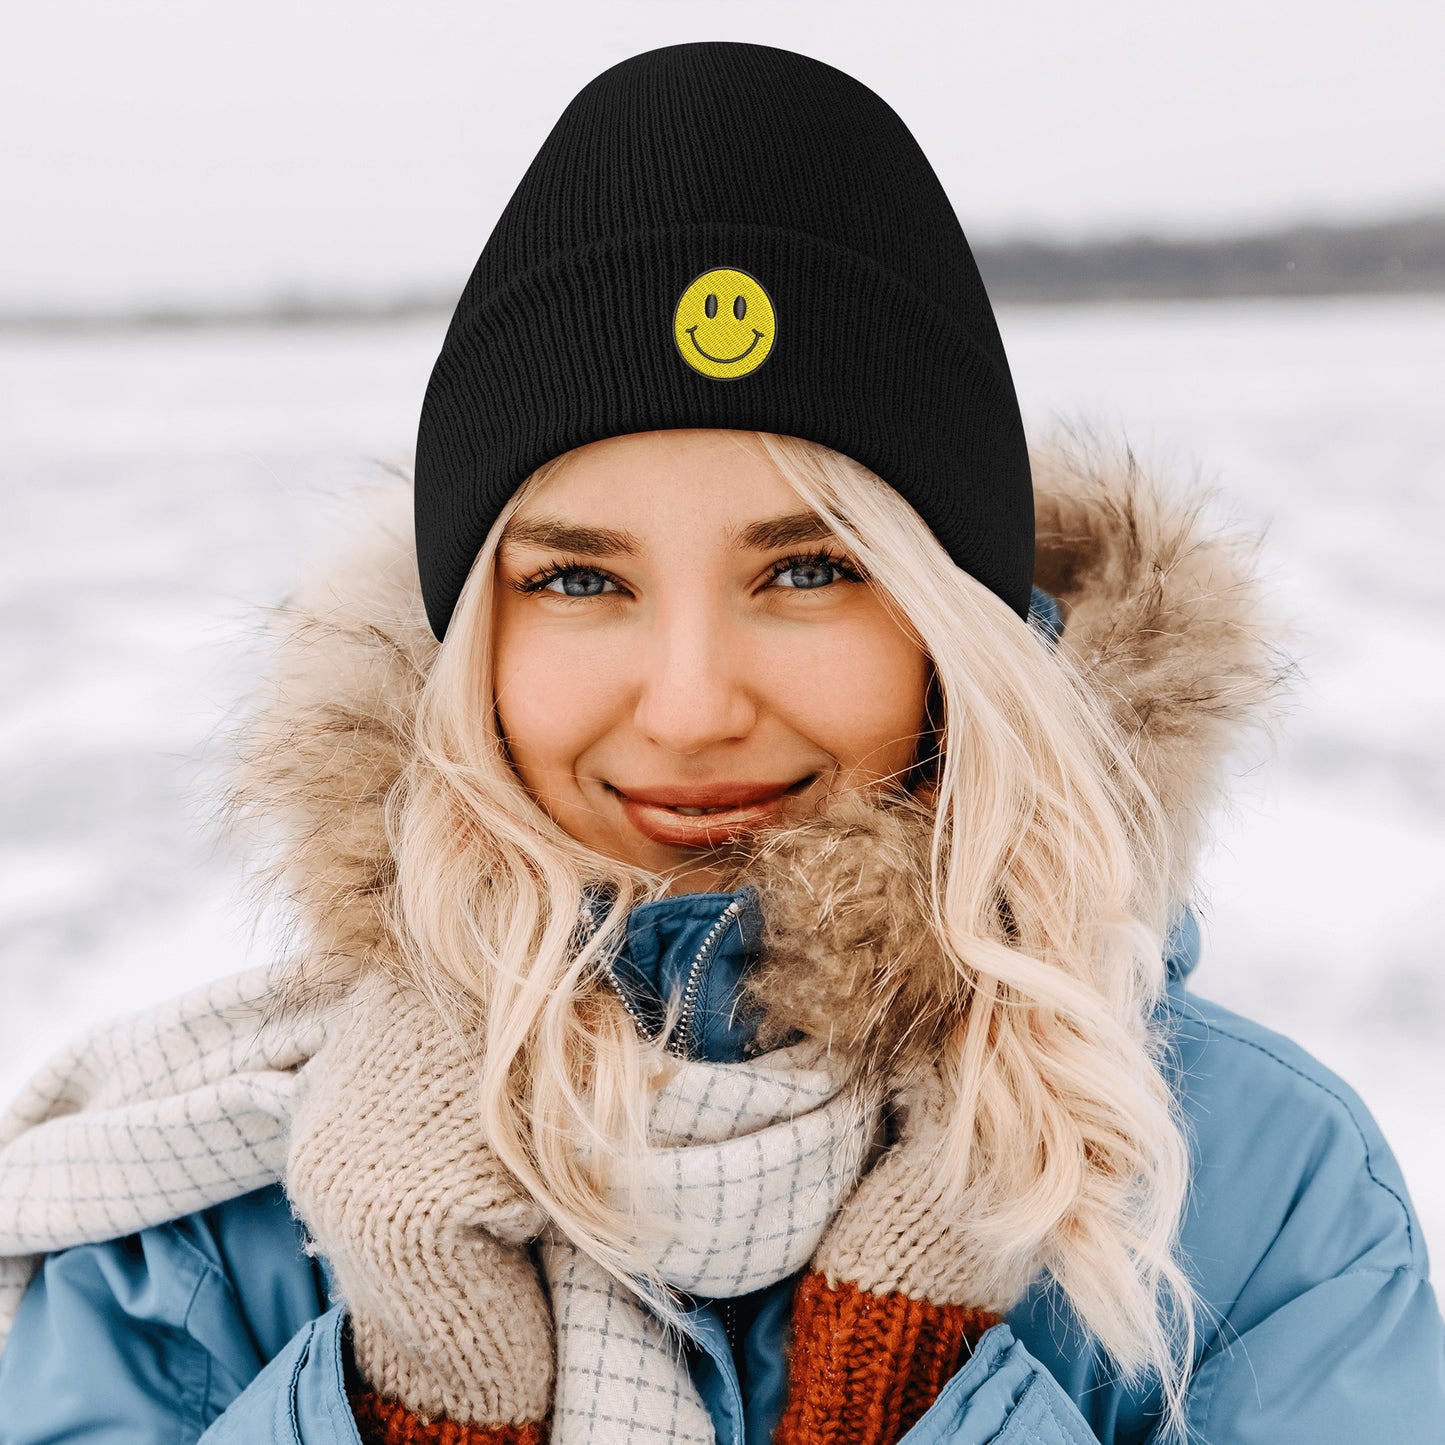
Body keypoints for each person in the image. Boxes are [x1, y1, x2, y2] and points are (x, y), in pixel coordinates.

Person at [0, 38, 1440, 1445]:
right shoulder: (203, 1225)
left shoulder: (1247, 1201)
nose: (689, 708)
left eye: (808, 571)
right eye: (577, 578)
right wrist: (410, 1403)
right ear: (464, 648)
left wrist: (906, 1387)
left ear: (956, 629)